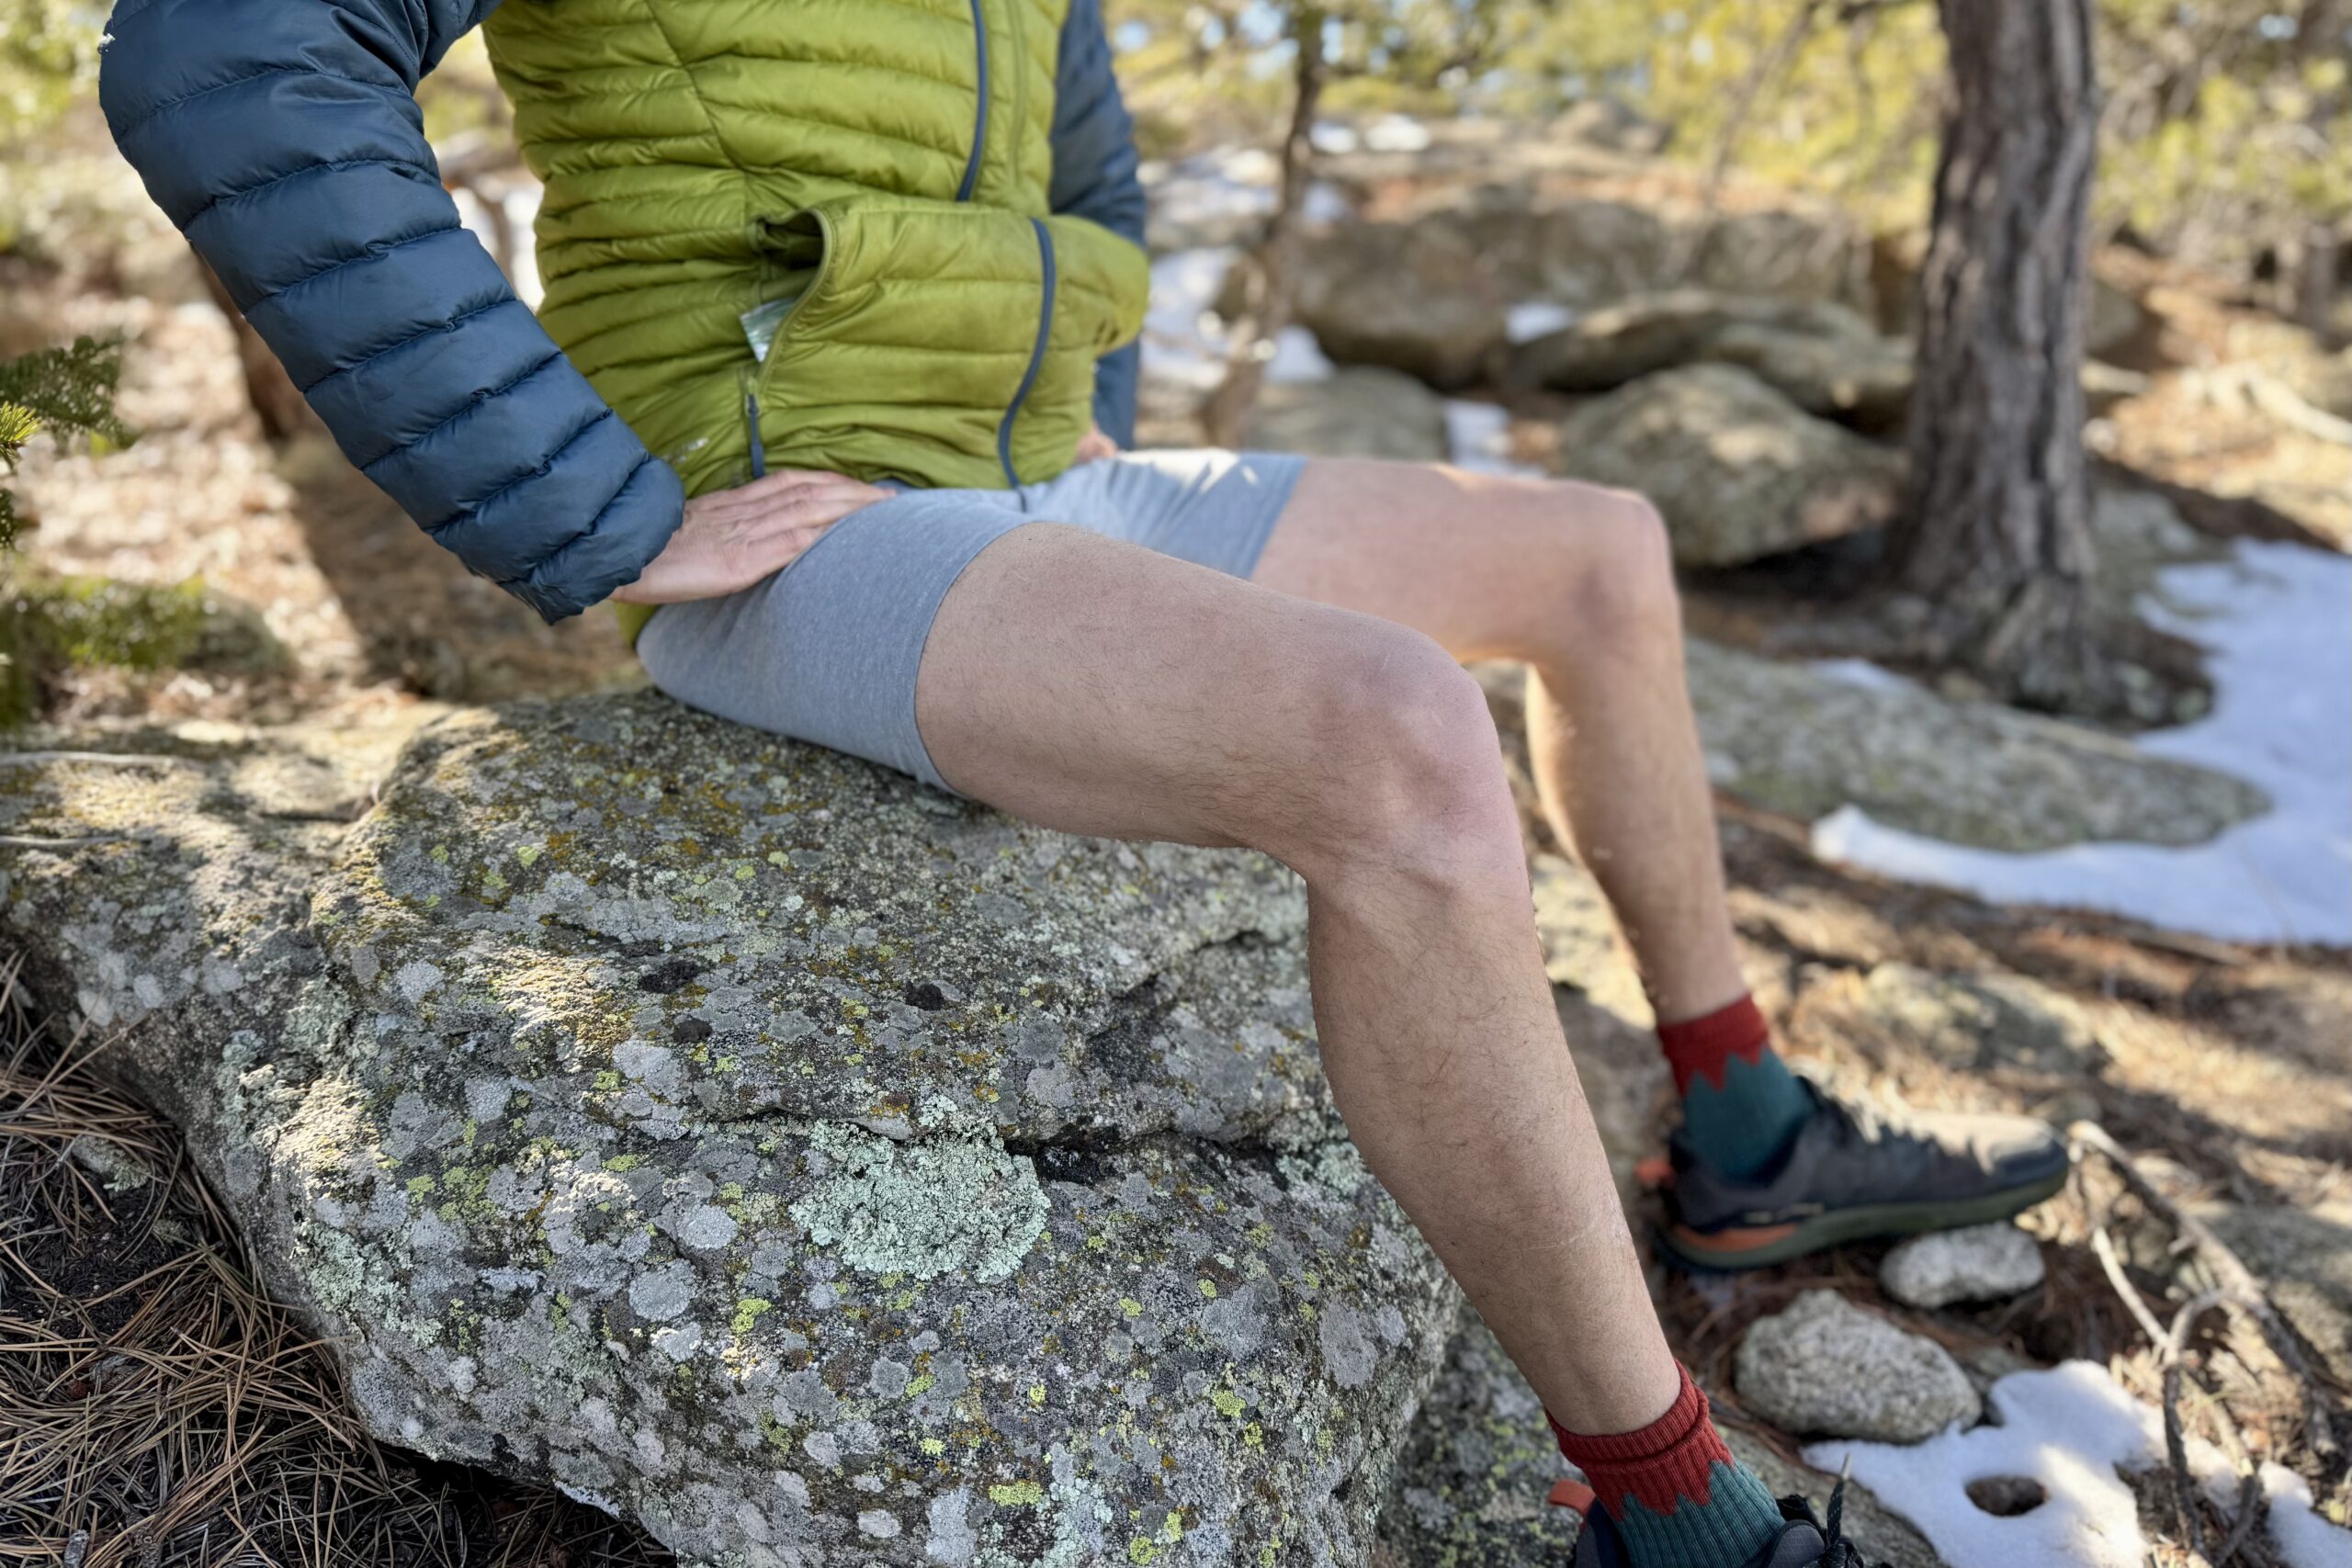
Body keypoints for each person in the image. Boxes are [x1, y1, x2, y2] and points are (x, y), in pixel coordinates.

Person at [98, 3, 2062, 1563]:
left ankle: (1743, 1128)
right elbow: (230, 52)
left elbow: (1084, 152)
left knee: (1600, 554)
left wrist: (1087, 406)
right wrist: (597, 510)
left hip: (1038, 471)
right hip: (805, 513)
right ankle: (1668, 1508)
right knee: (1398, 736)